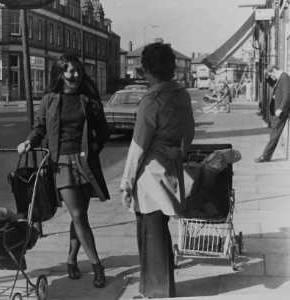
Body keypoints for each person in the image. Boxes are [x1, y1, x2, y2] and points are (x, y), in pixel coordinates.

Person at [17, 52, 109, 288]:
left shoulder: (88, 100)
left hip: (84, 162)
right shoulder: (50, 99)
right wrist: (29, 142)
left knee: (80, 216)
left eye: (78, 70)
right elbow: (40, 129)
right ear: (60, 73)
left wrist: (90, 153)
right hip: (60, 163)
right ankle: (98, 266)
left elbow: (103, 132)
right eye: (70, 71)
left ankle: (71, 259)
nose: (76, 75)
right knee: (78, 215)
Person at [120, 42, 195, 299]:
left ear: (148, 69)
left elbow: (137, 147)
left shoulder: (151, 101)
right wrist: (178, 153)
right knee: (159, 231)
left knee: (150, 234)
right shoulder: (182, 94)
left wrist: (126, 183)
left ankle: (156, 292)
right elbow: (190, 131)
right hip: (171, 169)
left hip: (150, 176)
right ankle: (156, 289)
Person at [255, 65, 290, 163]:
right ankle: (266, 156)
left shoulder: (284, 77)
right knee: (273, 133)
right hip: (277, 110)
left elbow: (287, 95)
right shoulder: (280, 78)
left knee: (274, 133)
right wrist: (267, 76)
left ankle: (265, 156)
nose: (271, 76)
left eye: (271, 74)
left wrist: (281, 109)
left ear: (274, 70)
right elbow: (271, 84)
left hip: (281, 111)